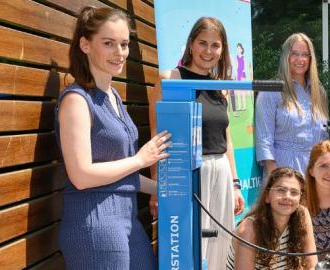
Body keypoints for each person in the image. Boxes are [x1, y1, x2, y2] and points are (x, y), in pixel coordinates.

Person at [55, 6, 171, 269]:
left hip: (126, 220)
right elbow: (81, 175)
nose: (119, 53)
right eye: (109, 43)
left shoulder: (113, 97)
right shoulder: (76, 99)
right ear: (85, 45)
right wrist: (141, 159)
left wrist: (166, 191)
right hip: (95, 223)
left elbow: (121, 172)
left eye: (124, 44)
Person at [158, 16, 245, 270]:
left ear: (223, 49)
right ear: (191, 44)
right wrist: (158, 183)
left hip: (221, 171)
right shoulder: (171, 78)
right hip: (187, 174)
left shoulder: (221, 87)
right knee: (186, 249)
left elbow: (226, 140)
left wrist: (235, 184)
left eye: (215, 45)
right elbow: (157, 134)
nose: (208, 51)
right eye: (202, 43)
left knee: (221, 246)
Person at [255, 33, 329, 177]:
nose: (300, 59)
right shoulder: (270, 91)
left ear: (310, 59)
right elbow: (264, 141)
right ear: (285, 57)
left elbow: (324, 137)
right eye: (294, 54)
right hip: (283, 169)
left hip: (316, 172)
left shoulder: (319, 92)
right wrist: (275, 179)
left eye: (305, 55)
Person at [227, 167, 318, 269]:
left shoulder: (303, 215)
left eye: (294, 192)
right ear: (267, 196)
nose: (287, 196)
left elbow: (312, 266)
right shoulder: (249, 229)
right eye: (281, 190)